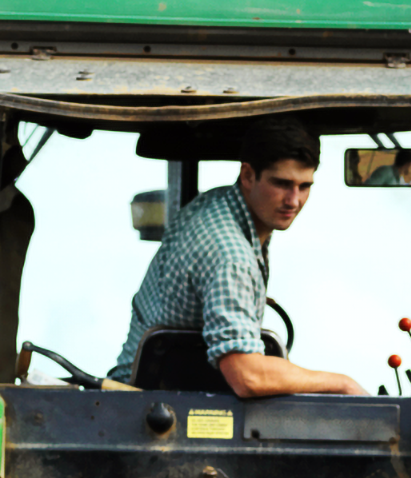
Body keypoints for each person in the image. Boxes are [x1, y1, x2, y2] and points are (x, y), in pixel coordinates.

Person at [108, 120, 363, 397]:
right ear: (248, 175)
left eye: (304, 186)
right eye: (282, 183)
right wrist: (343, 384)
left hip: (165, 399)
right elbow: (247, 376)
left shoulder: (216, 206)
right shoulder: (231, 255)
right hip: (143, 407)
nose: (294, 200)